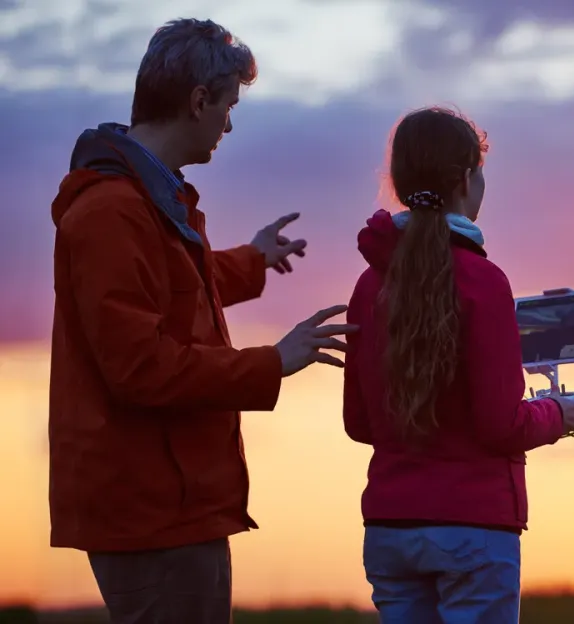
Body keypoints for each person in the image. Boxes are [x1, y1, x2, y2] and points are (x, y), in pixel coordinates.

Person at [47, 18, 356, 624]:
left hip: (176, 503)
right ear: (198, 101)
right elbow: (139, 367)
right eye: (228, 106)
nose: (229, 124)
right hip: (153, 512)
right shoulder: (112, 211)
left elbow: (169, 285)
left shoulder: (148, 199)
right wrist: (273, 361)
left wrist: (252, 261)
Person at [342, 106, 574, 623]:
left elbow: (359, 423)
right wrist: (556, 413)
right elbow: (501, 425)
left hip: (390, 525)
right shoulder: (483, 281)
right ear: (466, 178)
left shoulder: (369, 285)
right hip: (474, 527)